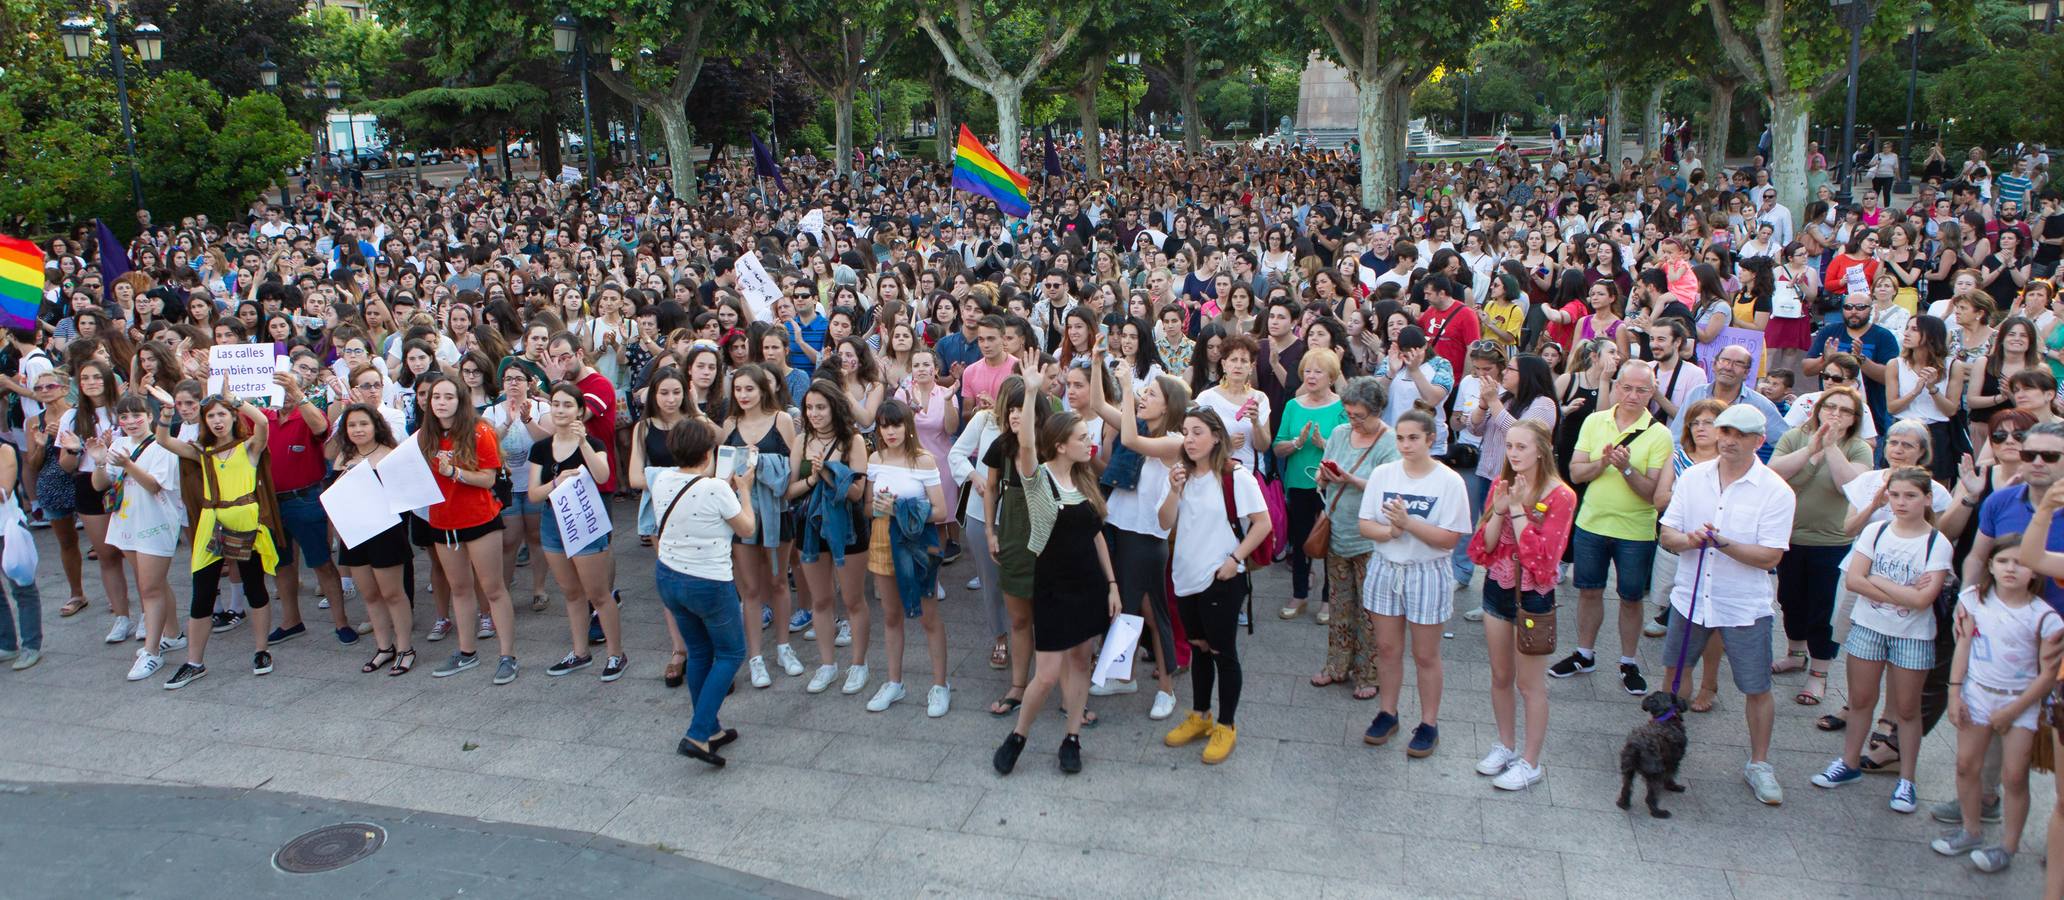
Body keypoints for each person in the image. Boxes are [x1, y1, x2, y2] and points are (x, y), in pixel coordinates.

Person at [1658, 404, 1796, 807]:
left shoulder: (1776, 490)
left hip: (1743, 605)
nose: (1730, 440)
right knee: (1675, 673)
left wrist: (1724, 544)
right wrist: (1690, 540)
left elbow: (1771, 557)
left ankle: (1759, 764)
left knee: (1756, 686)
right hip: (1690, 596)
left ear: (1759, 440)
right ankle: (1665, 745)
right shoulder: (1694, 477)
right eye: (1725, 432)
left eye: (1741, 434)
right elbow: (1668, 534)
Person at [994, 372, 1121, 775]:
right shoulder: (1039, 477)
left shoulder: (1085, 479)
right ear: (1061, 445)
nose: (1090, 443)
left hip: (1088, 584)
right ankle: (1019, 735)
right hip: (1051, 585)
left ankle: (1072, 738)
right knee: (1047, 675)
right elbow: (1028, 443)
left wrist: (1113, 584)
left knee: (1081, 662)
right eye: (1083, 438)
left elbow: (1097, 536)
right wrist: (1031, 392)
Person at [1807, 465, 1947, 818]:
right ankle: (1849, 762)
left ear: (1927, 499)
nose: (1901, 502)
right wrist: (1898, 589)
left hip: (1912, 634)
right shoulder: (1876, 530)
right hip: (1869, 626)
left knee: (1907, 709)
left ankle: (1907, 778)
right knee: (1860, 699)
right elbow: (1854, 579)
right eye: (1895, 495)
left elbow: (1921, 601)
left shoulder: (1936, 542)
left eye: (1910, 496)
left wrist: (1880, 581)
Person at [1931, 536, 2061, 873]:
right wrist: (1954, 692)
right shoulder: (1974, 601)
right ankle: (1970, 829)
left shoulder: (2045, 617)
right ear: (1990, 565)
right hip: (1976, 692)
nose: (2011, 569)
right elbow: (1963, 647)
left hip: (2020, 703)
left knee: (2015, 776)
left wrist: (2013, 711)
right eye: (2003, 561)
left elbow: (2048, 674)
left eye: (2020, 562)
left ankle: (2008, 846)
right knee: (1965, 764)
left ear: (2035, 571)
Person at [1464, 419, 1575, 790]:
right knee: (1500, 675)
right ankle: (1505, 745)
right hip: (1497, 587)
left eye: (1521, 447)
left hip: (1533, 595)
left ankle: (1531, 761)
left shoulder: (1561, 495)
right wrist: (1499, 510)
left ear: (1541, 449)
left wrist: (1516, 511)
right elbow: (1485, 546)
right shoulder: (1503, 484)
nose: (1513, 454)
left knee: (1531, 685)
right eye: (1509, 446)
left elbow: (1542, 560)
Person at [1158, 404, 1272, 765]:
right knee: (1198, 647)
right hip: (1185, 577)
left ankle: (1226, 725)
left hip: (1221, 579)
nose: (1189, 440)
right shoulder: (1181, 475)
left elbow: (1262, 523)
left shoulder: (1236, 477)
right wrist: (1174, 491)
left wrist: (1234, 560)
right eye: (1186, 432)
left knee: (1224, 654)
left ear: (1216, 437)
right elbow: (1164, 523)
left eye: (1197, 432)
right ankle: (1200, 715)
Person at [1357, 409, 1471, 758]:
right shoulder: (1382, 474)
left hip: (1427, 571)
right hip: (1386, 568)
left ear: (1430, 440)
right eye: (1401, 438)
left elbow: (1449, 539)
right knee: (1388, 649)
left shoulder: (1449, 482)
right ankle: (1387, 712)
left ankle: (1428, 722)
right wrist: (1390, 530)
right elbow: (1365, 524)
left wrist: (1407, 524)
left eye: (1413, 438)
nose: (1405, 445)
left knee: (1425, 654)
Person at [647, 417, 758, 767]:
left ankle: (710, 729)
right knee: (730, 654)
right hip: (708, 582)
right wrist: (745, 490)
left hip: (669, 576)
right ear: (710, 452)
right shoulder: (718, 489)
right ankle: (697, 732)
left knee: (698, 652)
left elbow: (696, 497)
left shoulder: (663, 479)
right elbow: (748, 528)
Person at [1553, 362, 1670, 694]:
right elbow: (1575, 474)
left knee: (1631, 598)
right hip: (1592, 521)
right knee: (1588, 590)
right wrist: (1603, 462)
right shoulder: (1594, 420)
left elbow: (1652, 495)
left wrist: (1627, 469)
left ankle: (1628, 660)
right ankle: (1584, 653)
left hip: (1635, 530)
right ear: (1616, 386)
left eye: (1642, 390)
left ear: (1652, 392)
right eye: (1627, 387)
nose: (1633, 395)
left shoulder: (1659, 433)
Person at [156, 393, 279, 690]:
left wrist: (237, 400)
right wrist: (166, 414)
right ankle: (194, 662)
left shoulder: (248, 447)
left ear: (234, 417)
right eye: (211, 416)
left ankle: (261, 650)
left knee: (254, 587)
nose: (217, 420)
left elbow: (262, 422)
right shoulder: (202, 451)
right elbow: (163, 441)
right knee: (202, 592)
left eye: (222, 414)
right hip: (213, 522)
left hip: (244, 520)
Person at [1767, 385, 1873, 707]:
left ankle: (1820, 673)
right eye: (1830, 407)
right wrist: (1812, 450)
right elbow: (1774, 473)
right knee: (1789, 598)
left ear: (1855, 419)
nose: (1836, 414)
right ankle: (1795, 653)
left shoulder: (1858, 448)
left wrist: (1831, 449)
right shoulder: (1795, 437)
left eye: (1844, 410)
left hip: (1832, 542)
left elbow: (1850, 487)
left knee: (1823, 609)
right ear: (1818, 409)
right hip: (1791, 537)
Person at [417, 374, 519, 684]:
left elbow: (488, 479)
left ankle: (507, 656)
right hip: (442, 522)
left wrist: (455, 472)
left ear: (461, 401)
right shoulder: (425, 436)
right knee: (459, 589)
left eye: (449, 397)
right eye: (436, 397)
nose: (442, 403)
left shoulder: (480, 431)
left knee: (493, 588)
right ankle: (466, 652)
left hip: (479, 520)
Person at [531, 381, 625, 682]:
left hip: (584, 519)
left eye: (567, 405)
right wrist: (557, 482)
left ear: (580, 411)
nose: (560, 410)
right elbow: (534, 494)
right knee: (571, 592)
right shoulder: (541, 448)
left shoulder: (593, 444)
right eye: (555, 404)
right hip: (552, 521)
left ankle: (615, 654)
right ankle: (580, 651)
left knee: (598, 593)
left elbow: (603, 475)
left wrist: (583, 442)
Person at [1311, 376, 1399, 698]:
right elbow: (1323, 473)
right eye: (1349, 414)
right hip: (1337, 530)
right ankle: (1337, 665)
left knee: (1369, 611)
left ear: (1377, 411)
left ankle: (1368, 674)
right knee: (1339, 604)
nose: (1353, 421)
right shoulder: (1339, 433)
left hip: (1371, 539)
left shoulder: (1390, 443)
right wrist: (1324, 476)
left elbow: (1390, 491)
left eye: (1359, 416)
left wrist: (1351, 479)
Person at [864, 398, 951, 716]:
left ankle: (940, 685)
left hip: (916, 545)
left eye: (896, 424)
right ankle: (894, 682)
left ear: (907, 426)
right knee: (890, 616)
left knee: (929, 617)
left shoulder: (924, 461)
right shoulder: (875, 458)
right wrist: (880, 507)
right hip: (883, 540)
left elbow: (941, 511)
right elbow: (867, 506)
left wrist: (902, 507)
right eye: (884, 426)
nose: (890, 431)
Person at [94, 394, 184, 682]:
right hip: (125, 521)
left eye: (137, 415)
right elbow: (101, 484)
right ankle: (172, 633)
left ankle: (152, 651)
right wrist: (98, 461)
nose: (131, 422)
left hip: (155, 523)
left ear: (150, 415)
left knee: (150, 589)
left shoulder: (163, 444)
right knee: (153, 583)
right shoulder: (119, 443)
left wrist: (128, 465)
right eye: (125, 417)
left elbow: (155, 486)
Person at [723, 364, 800, 687]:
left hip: (776, 512)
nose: (743, 395)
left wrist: (762, 465)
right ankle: (755, 657)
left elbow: (793, 470)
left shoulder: (781, 420)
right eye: (738, 389)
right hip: (742, 514)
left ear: (762, 390)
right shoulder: (730, 423)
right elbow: (721, 473)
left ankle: (784, 647)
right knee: (750, 589)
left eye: (749, 389)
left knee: (778, 581)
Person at [326, 403, 414, 676]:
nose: (357, 429)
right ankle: (384, 646)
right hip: (356, 532)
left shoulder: (390, 454)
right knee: (370, 594)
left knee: (393, 593)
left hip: (385, 532)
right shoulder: (344, 456)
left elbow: (405, 495)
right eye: (352, 425)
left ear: (376, 425)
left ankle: (405, 648)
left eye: (363, 423)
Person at [1274, 348, 1346, 619]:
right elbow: (1278, 446)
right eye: (1307, 371)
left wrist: (1324, 445)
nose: (1311, 376)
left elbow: (1352, 450)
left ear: (1332, 376)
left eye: (1318, 371)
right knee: (1301, 539)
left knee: (1331, 540)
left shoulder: (1342, 407)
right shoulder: (1294, 406)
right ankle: (1299, 594)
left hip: (1332, 485)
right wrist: (1297, 443)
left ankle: (1329, 599)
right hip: (1298, 482)